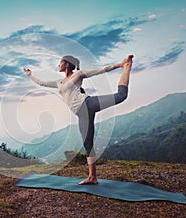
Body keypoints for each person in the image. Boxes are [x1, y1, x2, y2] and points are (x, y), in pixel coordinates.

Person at [23, 54, 133, 185]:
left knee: (121, 96)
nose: (58, 65)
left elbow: (100, 70)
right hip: (82, 114)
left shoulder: (78, 75)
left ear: (67, 64)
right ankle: (92, 177)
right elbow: (42, 83)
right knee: (88, 144)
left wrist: (119, 65)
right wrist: (30, 75)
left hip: (87, 104)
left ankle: (127, 66)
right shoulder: (59, 82)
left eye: (60, 63)